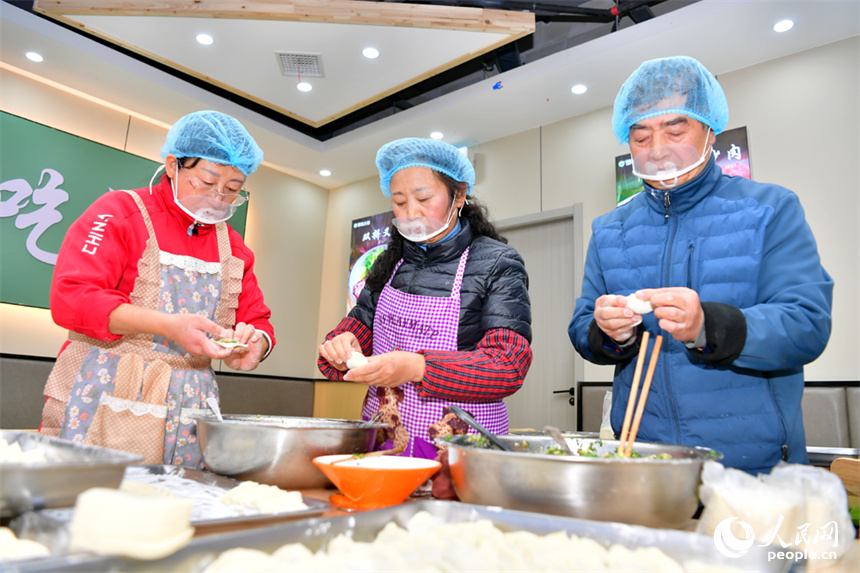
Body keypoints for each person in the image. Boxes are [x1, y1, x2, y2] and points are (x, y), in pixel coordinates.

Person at [568, 56, 833, 475]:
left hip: (750, 467)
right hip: (644, 464)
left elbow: (807, 324)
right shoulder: (609, 230)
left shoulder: (769, 209)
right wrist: (607, 333)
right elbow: (584, 328)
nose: (657, 150)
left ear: (710, 129)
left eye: (675, 129)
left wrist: (708, 326)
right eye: (640, 137)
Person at [40, 110, 276, 468]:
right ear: (172, 165)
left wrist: (255, 341)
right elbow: (72, 297)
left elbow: (257, 319)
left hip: (190, 405)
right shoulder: (120, 212)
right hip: (106, 392)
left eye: (231, 190)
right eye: (207, 182)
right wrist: (167, 326)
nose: (218, 198)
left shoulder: (234, 248)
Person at [318, 137, 532, 463]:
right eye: (399, 202)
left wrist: (418, 367)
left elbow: (507, 365)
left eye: (423, 198)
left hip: (461, 450)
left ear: (458, 195)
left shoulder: (497, 263)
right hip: (385, 442)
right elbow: (356, 329)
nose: (411, 213)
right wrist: (341, 347)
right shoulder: (388, 263)